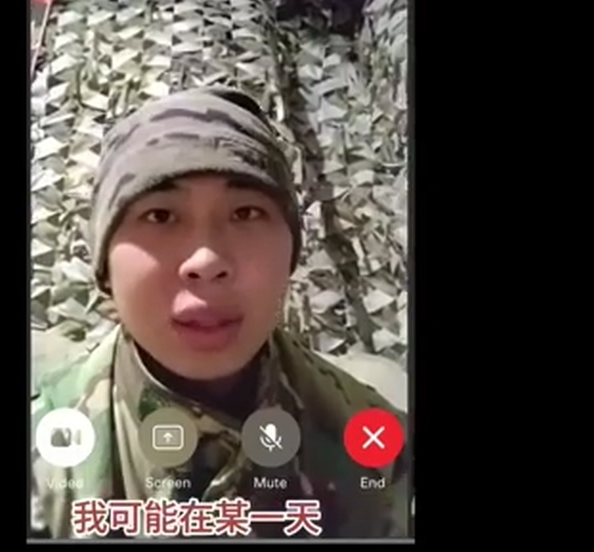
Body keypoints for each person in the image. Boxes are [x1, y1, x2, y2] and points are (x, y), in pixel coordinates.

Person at [30, 87, 411, 538]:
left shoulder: (381, 450)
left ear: (290, 254)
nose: (206, 261)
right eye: (160, 215)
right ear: (104, 264)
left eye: (246, 212)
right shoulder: (45, 459)